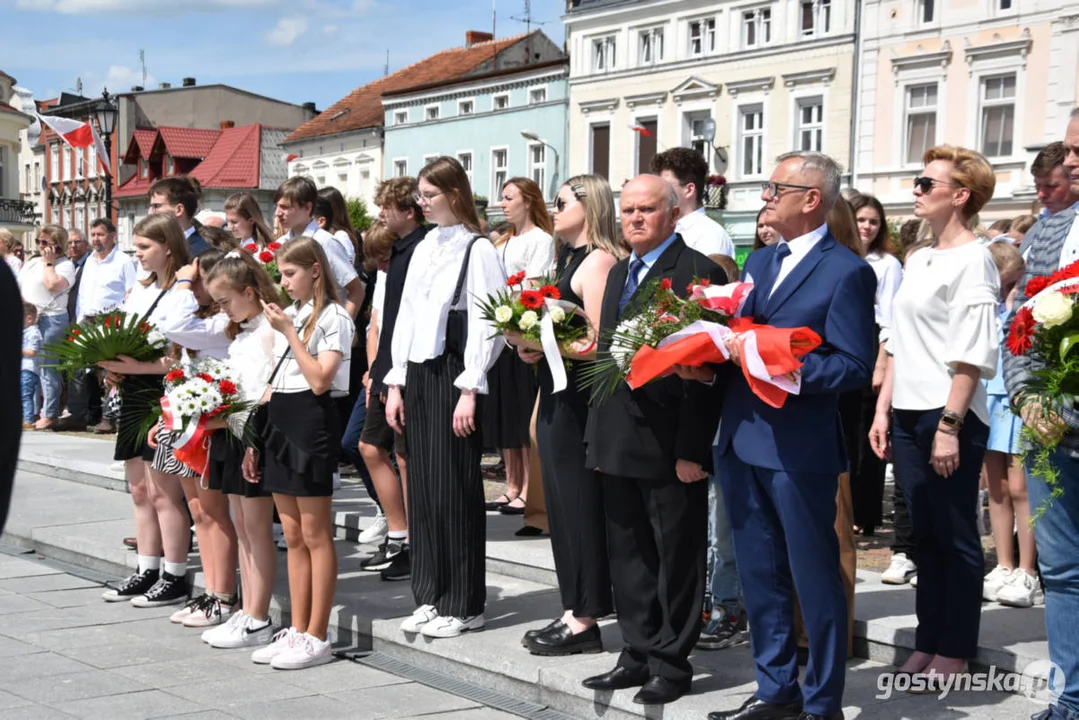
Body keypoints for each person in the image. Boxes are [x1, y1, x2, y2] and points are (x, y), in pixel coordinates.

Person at [709, 152, 876, 720]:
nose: (764, 197)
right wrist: (710, 354)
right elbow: (742, 336)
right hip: (740, 437)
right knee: (760, 574)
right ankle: (775, 688)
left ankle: (823, 700)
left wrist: (788, 368)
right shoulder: (758, 258)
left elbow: (854, 365)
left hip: (798, 446)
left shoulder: (847, 270)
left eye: (775, 188)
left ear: (811, 199)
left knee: (812, 574)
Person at [582, 174, 725, 706]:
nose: (635, 219)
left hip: (669, 446)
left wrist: (693, 449)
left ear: (672, 213)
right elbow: (607, 362)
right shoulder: (620, 271)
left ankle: (671, 661)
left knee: (676, 555)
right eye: (628, 211)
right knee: (629, 554)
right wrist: (597, 440)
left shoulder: (697, 273)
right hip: (619, 440)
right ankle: (636, 651)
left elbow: (708, 371)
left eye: (646, 210)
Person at [869, 145, 1000, 688]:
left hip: (950, 413)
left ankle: (956, 645)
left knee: (954, 534)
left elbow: (971, 352)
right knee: (922, 534)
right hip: (906, 409)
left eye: (926, 183)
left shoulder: (977, 258)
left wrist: (949, 425)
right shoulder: (918, 257)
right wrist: (883, 409)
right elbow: (899, 342)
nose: (916, 190)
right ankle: (928, 638)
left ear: (960, 195)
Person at [384, 156, 505, 639]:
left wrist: (471, 386)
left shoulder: (478, 249)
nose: (422, 203)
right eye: (420, 195)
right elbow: (407, 317)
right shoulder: (424, 246)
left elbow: (489, 319)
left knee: (455, 488)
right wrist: (395, 383)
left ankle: (465, 602)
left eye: (429, 195)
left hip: (456, 373)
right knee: (427, 491)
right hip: (418, 372)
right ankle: (430, 594)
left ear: (454, 194)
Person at [512, 175, 624, 656]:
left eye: (560, 203)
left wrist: (544, 343)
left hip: (582, 402)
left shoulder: (598, 261)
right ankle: (572, 608)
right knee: (562, 507)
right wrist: (531, 346)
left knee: (578, 508)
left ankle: (584, 617)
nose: (553, 211)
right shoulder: (569, 258)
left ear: (589, 206)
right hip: (559, 395)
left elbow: (603, 341)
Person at [245, 237, 355, 670]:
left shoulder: (333, 316)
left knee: (315, 533)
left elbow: (321, 380)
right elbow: (274, 382)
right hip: (281, 416)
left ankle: (318, 633)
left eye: (289, 273)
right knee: (292, 535)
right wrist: (256, 439)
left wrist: (289, 333)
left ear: (314, 269)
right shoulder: (292, 313)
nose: (283, 281)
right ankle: (298, 627)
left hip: (311, 418)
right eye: (280, 273)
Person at [1003, 108, 1079, 720]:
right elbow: (1019, 327)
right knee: (1064, 575)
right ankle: (1070, 703)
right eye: (1071, 149)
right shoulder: (1051, 232)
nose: (1071, 160)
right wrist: (1027, 397)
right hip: (1052, 432)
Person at [98, 214, 194, 608]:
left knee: (163, 491)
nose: (137, 254)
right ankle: (146, 568)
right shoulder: (140, 289)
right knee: (139, 488)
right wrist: (111, 367)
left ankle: (174, 573)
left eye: (144, 247)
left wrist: (132, 367)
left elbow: (181, 356)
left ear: (168, 247)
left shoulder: (181, 291)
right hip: (133, 389)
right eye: (136, 247)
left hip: (162, 390)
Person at [199, 250, 283, 649]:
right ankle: (248, 611)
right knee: (244, 529)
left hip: (255, 431)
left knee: (256, 530)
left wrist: (248, 428)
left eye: (226, 301)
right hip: (234, 429)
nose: (222, 310)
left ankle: (258, 615)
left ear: (249, 291)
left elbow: (268, 387)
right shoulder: (246, 329)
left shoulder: (269, 328)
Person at [152, 248, 237, 627]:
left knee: (215, 514)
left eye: (200, 279)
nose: (194, 286)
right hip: (189, 423)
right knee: (199, 513)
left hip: (213, 426)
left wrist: (183, 280)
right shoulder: (203, 318)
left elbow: (169, 323)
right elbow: (165, 328)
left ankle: (224, 595)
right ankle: (212, 591)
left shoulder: (222, 322)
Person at [359, 180, 426, 581]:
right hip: (386, 366)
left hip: (403, 369)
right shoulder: (397, 252)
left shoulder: (418, 250)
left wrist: (392, 372)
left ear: (409, 210)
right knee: (371, 447)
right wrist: (376, 369)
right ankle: (400, 534)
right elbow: (382, 322)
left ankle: (410, 541)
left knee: (402, 454)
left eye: (387, 206)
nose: (381, 213)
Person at [485, 177, 554, 516]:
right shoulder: (503, 242)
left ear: (528, 201)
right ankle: (511, 483)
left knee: (523, 408)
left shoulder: (540, 239)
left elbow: (536, 284)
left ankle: (528, 486)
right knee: (505, 410)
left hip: (522, 326)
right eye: (502, 197)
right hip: (501, 330)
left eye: (509, 197)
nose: (503, 203)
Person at [977, 242, 1039, 608]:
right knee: (996, 487)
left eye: (1012, 283)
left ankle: (1028, 571)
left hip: (1017, 399)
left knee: (1021, 487)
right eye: (1000, 285)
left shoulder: (1026, 310)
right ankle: (1003, 563)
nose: (1006, 292)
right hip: (989, 398)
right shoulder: (987, 307)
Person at [839, 194, 901, 537]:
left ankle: (865, 510)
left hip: (874, 343)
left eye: (873, 221)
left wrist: (881, 364)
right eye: (861, 220)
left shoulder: (886, 264)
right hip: (850, 340)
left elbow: (890, 318)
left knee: (870, 432)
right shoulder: (844, 256)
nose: (866, 227)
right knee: (848, 435)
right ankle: (846, 506)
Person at [65, 219, 138, 434]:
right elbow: (84, 293)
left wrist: (121, 322)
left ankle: (110, 416)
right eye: (94, 234)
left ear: (113, 236)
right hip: (86, 321)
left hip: (110, 324)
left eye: (101, 234)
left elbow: (131, 292)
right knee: (82, 371)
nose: (96, 239)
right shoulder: (89, 261)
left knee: (110, 371)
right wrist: (79, 319)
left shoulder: (124, 261)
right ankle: (86, 414)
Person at [274, 176, 364, 318]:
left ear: (307, 207)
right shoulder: (282, 243)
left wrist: (343, 329)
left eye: (285, 207)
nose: (277, 213)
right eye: (277, 206)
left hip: (324, 325)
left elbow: (356, 290)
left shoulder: (325, 242)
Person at [18, 225, 76, 431]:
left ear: (57, 244)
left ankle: (50, 413)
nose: (41, 246)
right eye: (39, 242)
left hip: (51, 318)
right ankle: (30, 412)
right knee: (29, 366)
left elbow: (53, 285)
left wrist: (50, 262)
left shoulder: (64, 265)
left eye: (45, 242)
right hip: (29, 318)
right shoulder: (33, 262)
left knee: (46, 366)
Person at [651, 147, 735, 260]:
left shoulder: (709, 234)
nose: (659, 193)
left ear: (689, 190)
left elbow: (705, 277)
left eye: (666, 186)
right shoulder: (664, 231)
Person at [148, 176, 212, 257]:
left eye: (156, 206)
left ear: (179, 210)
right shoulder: (160, 247)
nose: (150, 213)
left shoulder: (202, 253)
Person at [20, 302, 42, 429]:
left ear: (29, 318)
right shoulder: (25, 331)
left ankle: (28, 420)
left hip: (29, 369)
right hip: (23, 368)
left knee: (25, 395)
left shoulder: (33, 333)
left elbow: (32, 352)